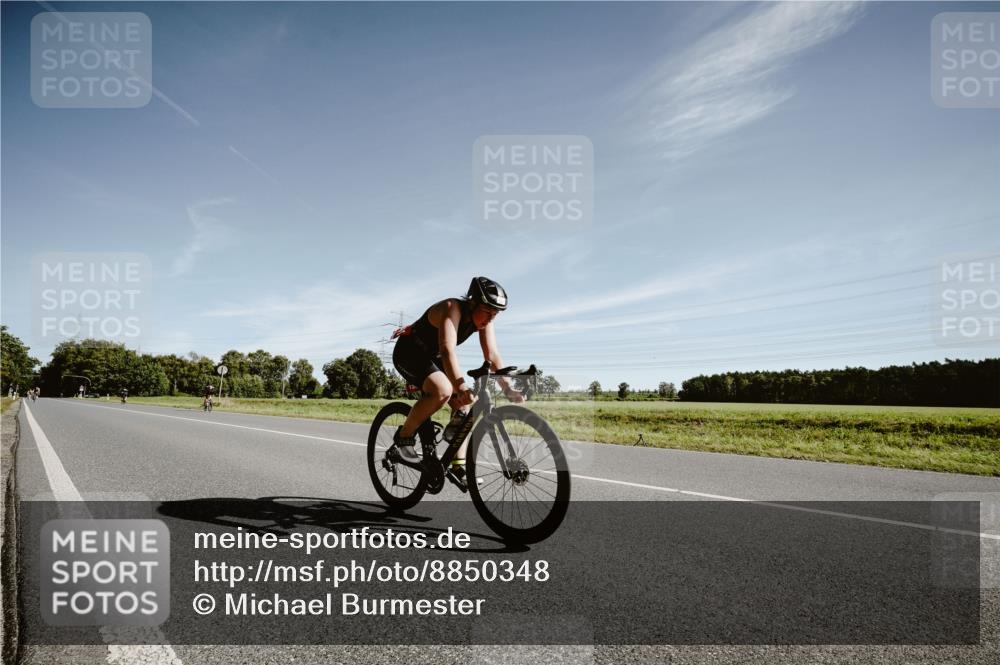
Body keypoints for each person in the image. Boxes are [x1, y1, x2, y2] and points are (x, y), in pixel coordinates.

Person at [391, 277, 523, 478]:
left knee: (463, 406)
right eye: (487, 312)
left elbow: (492, 355)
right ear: (472, 303)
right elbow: (447, 351)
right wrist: (460, 385)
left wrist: (507, 388)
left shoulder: (484, 320)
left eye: (494, 315)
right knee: (443, 390)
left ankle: (457, 465)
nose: (489, 319)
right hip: (409, 352)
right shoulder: (451, 308)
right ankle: (404, 438)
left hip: (432, 359)